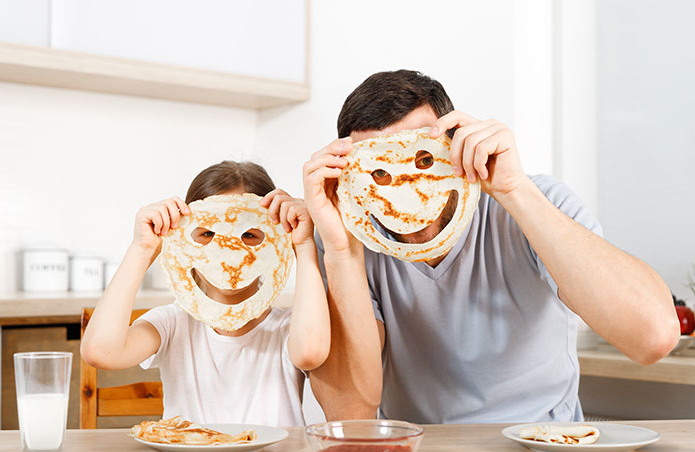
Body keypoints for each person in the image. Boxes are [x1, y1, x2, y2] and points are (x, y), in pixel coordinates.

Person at [303, 70, 679, 423]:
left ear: (453, 147)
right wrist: (340, 252)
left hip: (543, 451)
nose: (405, 188)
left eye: (422, 159)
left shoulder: (539, 200)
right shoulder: (346, 236)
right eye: (381, 172)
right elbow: (349, 414)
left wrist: (515, 191)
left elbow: (653, 338)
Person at [81, 161, 330, 426]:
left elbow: (310, 352)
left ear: (275, 240)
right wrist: (142, 248)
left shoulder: (288, 328)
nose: (229, 251)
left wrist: (303, 244)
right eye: (208, 233)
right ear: (182, 240)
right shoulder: (172, 324)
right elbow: (99, 351)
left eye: (249, 234)